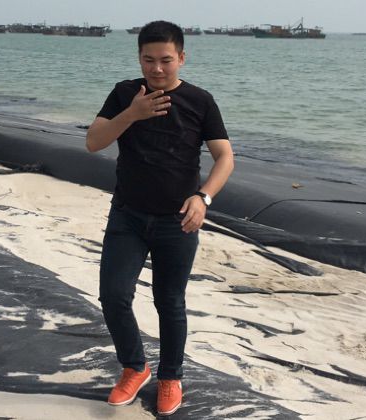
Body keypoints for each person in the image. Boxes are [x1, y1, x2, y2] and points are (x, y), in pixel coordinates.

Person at [86, 20, 234, 416]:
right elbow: (94, 142)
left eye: (165, 60)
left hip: (178, 220)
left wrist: (204, 197)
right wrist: (132, 114)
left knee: (169, 301)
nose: (156, 68)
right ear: (139, 58)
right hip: (128, 216)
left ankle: (170, 376)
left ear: (181, 58)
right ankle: (135, 367)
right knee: (113, 295)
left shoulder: (200, 101)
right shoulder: (125, 94)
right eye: (148, 60)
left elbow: (225, 157)